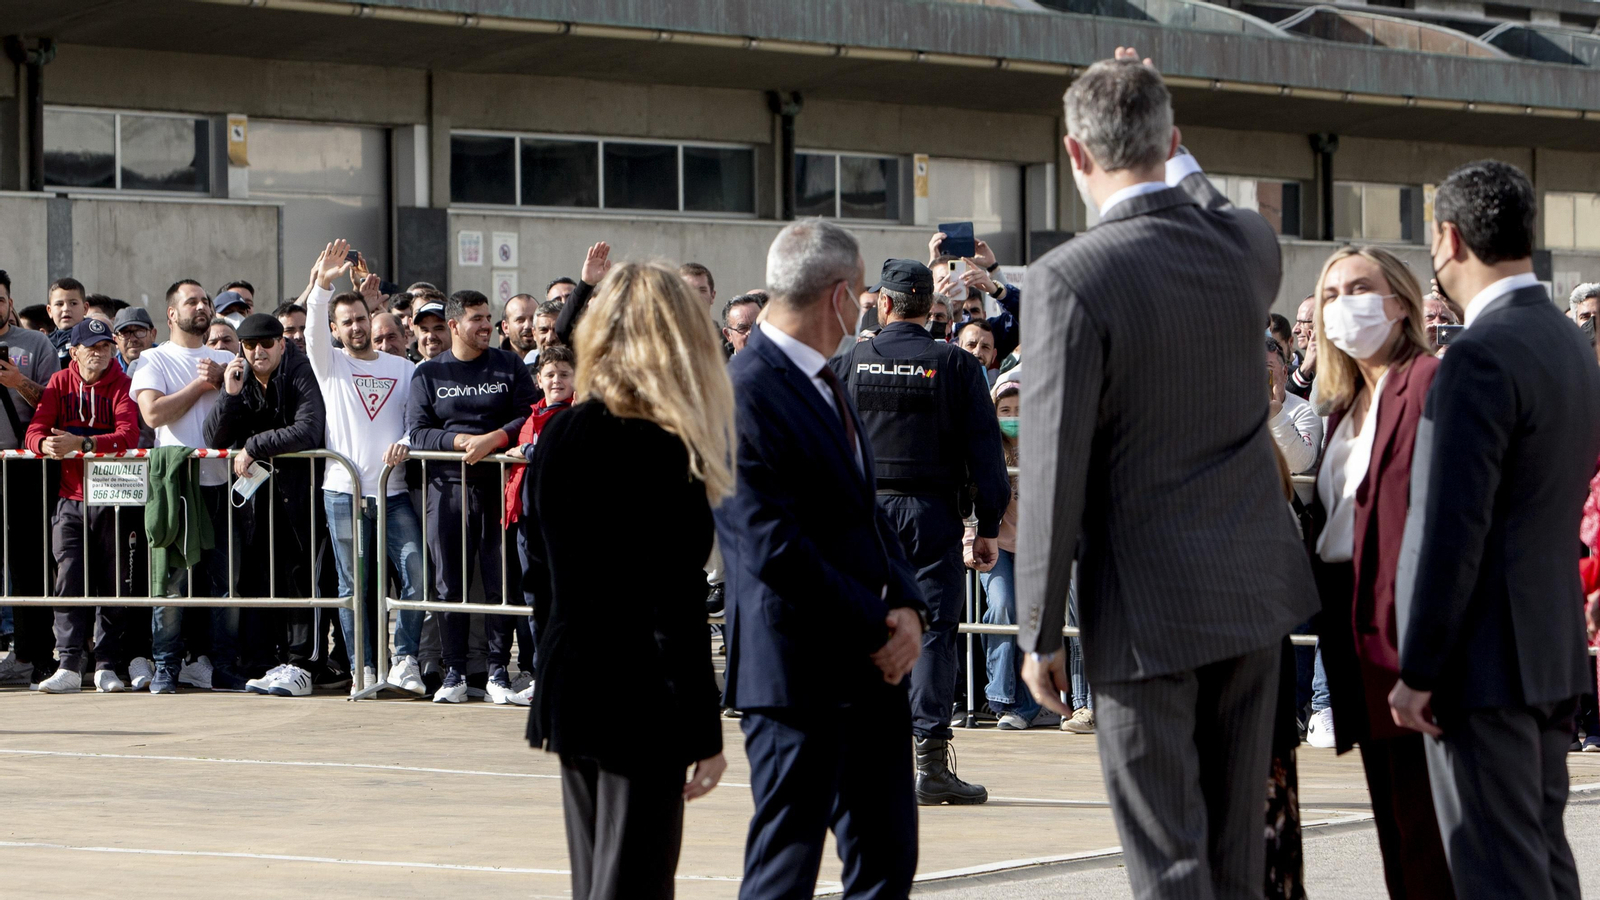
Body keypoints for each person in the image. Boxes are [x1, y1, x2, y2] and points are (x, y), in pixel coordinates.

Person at [1016, 50, 1317, 899]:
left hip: (1147, 609)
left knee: (1167, 857)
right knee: (1236, 855)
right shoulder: (1244, 250)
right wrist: (1168, 132)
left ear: (1075, 155)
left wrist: (1039, 628)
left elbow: (1052, 461)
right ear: (1176, 141)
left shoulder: (1070, 276)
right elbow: (1215, 203)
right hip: (1254, 593)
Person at [1390, 159, 1600, 899]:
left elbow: (1452, 524)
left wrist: (1418, 668)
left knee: (1495, 873)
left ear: (1448, 239)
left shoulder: (1479, 354)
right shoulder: (1569, 342)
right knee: (1540, 861)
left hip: (1484, 662)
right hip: (1548, 647)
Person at [718, 219, 927, 899]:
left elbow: (864, 513)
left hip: (870, 668)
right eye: (863, 293)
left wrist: (909, 607)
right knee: (786, 868)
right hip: (798, 674)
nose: (866, 306)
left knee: (887, 858)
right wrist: (878, 625)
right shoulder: (745, 391)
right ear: (839, 295)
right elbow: (772, 546)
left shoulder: (825, 379)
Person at [525, 265, 728, 899]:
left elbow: (548, 575)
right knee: (634, 880)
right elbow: (674, 598)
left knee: (598, 876)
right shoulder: (668, 445)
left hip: (573, 676)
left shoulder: (562, 432)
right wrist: (704, 728)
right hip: (641, 687)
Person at [1304, 244, 1456, 899]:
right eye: (1332, 293)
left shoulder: (1426, 381)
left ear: (1400, 301)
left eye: (1360, 288)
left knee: (1430, 833)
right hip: (1355, 636)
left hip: (1412, 638)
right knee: (1396, 825)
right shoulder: (1341, 409)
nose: (1345, 305)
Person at [832, 257, 1009, 806]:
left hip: (863, 515)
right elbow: (987, 457)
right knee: (933, 631)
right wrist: (988, 525)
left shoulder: (850, 360)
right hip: (932, 516)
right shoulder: (955, 364)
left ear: (883, 304)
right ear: (931, 309)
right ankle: (930, 763)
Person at [301, 240, 428, 696]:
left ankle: (405, 661)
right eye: (347, 322)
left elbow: (419, 421)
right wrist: (321, 286)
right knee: (355, 587)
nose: (356, 327)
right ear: (336, 330)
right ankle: (364, 671)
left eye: (361, 319)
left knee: (417, 574)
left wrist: (405, 443)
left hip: (393, 495)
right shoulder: (329, 364)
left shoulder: (403, 368)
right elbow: (311, 328)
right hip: (343, 494)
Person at [405, 289, 536, 704]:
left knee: (500, 581)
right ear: (455, 325)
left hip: (499, 488)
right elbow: (418, 431)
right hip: (446, 490)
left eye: (488, 318)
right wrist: (462, 440)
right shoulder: (428, 373)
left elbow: (530, 416)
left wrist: (495, 438)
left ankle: (498, 670)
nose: (486, 326)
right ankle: (454, 672)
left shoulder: (508, 364)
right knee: (448, 584)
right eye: (477, 319)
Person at [202, 312, 327, 694]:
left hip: (302, 498)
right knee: (260, 579)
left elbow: (309, 428)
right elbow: (213, 436)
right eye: (251, 344)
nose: (259, 351)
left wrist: (254, 446)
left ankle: (305, 663)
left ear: (282, 343)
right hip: (258, 503)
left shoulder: (299, 371)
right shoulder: (240, 378)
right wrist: (230, 393)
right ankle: (267, 661)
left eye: (267, 343)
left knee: (301, 580)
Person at [131, 279, 243, 694]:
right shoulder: (154, 360)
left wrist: (226, 375)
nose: (201, 306)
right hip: (177, 486)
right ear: (172, 314)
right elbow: (154, 415)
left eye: (205, 300)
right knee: (170, 584)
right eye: (191, 301)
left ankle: (223, 665)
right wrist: (202, 384)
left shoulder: (228, 357)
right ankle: (166, 665)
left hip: (223, 484)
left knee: (225, 583)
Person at [25, 318, 142, 693]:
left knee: (113, 581)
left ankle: (107, 664)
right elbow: (34, 430)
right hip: (70, 498)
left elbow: (129, 435)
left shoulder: (122, 384)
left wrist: (82, 445)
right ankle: (70, 663)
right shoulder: (59, 383)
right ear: (73, 351)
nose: (100, 352)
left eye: (106, 345)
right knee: (68, 579)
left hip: (114, 498)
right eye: (91, 346)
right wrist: (44, 446)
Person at [0, 271, 61, 687]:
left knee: (28, 563)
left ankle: (33, 654)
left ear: (9, 301)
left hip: (23, 466)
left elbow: (53, 403)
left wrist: (16, 380)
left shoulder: (35, 344)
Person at [967, 379, 1039, 729]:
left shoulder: (1043, 446)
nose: (1013, 417)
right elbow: (972, 500)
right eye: (1006, 411)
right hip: (995, 545)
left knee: (1031, 615)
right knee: (1001, 604)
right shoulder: (986, 449)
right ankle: (1000, 697)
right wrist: (970, 541)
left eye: (1020, 410)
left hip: (1035, 549)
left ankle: (1026, 706)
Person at [1266, 336, 1322, 476]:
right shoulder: (1233, 409)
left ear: (1285, 373)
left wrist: (1276, 416)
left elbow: (1301, 463)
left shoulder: (1303, 410)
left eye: (1267, 369)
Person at [47, 277, 88, 366]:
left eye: (73, 303)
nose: (66, 309)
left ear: (85, 308)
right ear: (49, 311)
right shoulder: (46, 342)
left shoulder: (92, 337)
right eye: (59, 304)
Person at [1288, 296, 1318, 399]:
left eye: (1302, 323)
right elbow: (1283, 403)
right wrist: (1305, 369)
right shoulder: (1292, 371)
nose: (1295, 330)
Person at [113, 307, 155, 375]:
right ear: (115, 340)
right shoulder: (109, 372)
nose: (132, 339)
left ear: (153, 334)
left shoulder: (167, 364)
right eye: (125, 333)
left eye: (139, 331)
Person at [501, 293, 540, 364]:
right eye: (520, 320)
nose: (528, 325)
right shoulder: (493, 364)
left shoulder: (555, 362)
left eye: (533, 319)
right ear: (505, 327)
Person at [721, 293, 761, 357]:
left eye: (757, 326)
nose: (751, 332)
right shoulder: (721, 366)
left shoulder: (781, 361)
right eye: (743, 328)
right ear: (728, 335)